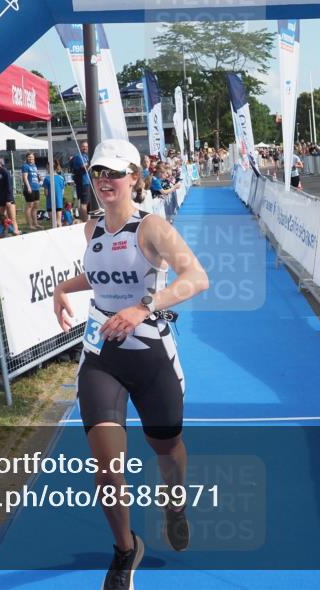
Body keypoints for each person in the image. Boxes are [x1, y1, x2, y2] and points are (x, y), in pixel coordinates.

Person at [52, 139, 209, 590]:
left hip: (152, 356)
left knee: (167, 450)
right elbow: (101, 275)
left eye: (114, 174)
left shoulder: (153, 228)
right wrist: (64, 287)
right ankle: (125, 549)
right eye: (98, 172)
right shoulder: (91, 229)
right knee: (105, 466)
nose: (104, 181)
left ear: (134, 179)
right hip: (101, 357)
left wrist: (145, 306)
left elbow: (197, 277)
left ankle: (174, 502)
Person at [0, 157, 19, 236]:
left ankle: (16, 233)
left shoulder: (4, 172)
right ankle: (3, 234)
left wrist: (9, 200)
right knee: (0, 219)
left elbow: (9, 186)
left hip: (8, 199)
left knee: (12, 219)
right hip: (0, 199)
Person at [69, 140, 92, 222]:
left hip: (88, 182)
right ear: (80, 147)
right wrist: (92, 161)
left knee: (86, 203)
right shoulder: (79, 157)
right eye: (83, 146)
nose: (85, 148)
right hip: (83, 182)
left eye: (86, 146)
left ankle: (83, 220)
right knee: (84, 203)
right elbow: (84, 168)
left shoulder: (86, 156)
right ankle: (85, 222)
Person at [21, 152, 42, 231]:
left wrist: (39, 177)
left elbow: (36, 174)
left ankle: (36, 223)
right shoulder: (25, 166)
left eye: (32, 158)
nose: (31, 159)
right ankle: (30, 224)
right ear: (26, 158)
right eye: (29, 157)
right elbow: (25, 178)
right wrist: (28, 187)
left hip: (36, 188)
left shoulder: (34, 166)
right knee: (29, 206)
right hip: (30, 189)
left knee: (36, 206)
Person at [43, 159, 67, 227]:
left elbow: (46, 193)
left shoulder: (47, 179)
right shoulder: (61, 178)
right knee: (59, 222)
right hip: (59, 203)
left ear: (48, 167)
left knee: (53, 223)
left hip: (50, 203)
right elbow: (62, 192)